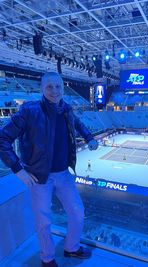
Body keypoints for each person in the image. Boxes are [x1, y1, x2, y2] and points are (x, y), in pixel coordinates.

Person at [0, 72, 98, 267]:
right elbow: (2, 139)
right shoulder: (29, 111)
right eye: (50, 87)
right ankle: (47, 258)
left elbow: (77, 123)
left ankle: (71, 248)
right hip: (39, 177)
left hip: (64, 174)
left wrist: (89, 137)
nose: (55, 91)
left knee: (77, 212)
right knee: (44, 222)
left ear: (62, 88)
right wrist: (18, 169)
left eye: (58, 86)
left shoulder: (66, 109)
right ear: (42, 89)